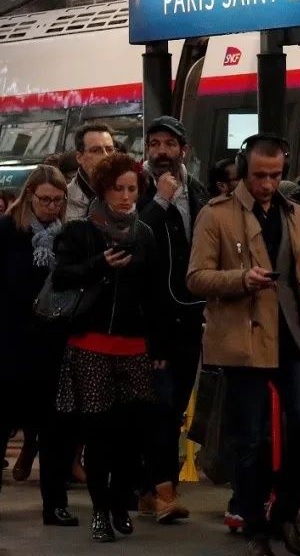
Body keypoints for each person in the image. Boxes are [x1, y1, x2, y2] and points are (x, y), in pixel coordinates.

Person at [187, 135, 300, 556]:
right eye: (259, 176)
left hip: (293, 336)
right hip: (245, 337)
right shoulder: (215, 215)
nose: (268, 184)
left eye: (276, 176)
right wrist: (239, 279)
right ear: (242, 170)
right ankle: (255, 526)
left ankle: (283, 513)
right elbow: (196, 277)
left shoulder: (297, 215)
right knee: (249, 438)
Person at [52, 152, 163, 543]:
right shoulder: (81, 231)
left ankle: (119, 503)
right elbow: (61, 276)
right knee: (98, 434)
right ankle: (100, 511)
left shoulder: (145, 234)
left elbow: (155, 295)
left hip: (134, 346)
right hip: (91, 343)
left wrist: (158, 346)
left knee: (133, 436)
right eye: (119, 189)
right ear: (103, 189)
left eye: (132, 189)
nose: (126, 197)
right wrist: (99, 263)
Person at [0, 165, 77, 525]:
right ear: (29, 197)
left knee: (54, 429)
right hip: (6, 342)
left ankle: (54, 504)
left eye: (57, 201)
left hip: (50, 345)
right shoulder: (6, 230)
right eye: (44, 200)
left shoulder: (68, 236)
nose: (50, 207)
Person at [136, 116, 207, 523]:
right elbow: (134, 235)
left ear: (184, 149)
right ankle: (165, 491)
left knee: (175, 405)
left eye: (169, 144)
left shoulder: (196, 192)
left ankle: (149, 489)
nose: (161, 151)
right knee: (160, 407)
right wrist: (160, 201)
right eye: (154, 143)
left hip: (189, 315)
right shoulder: (137, 187)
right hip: (150, 319)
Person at [66, 124, 117, 220]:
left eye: (110, 150)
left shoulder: (127, 190)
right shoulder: (65, 199)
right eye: (96, 150)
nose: (106, 156)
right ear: (79, 157)